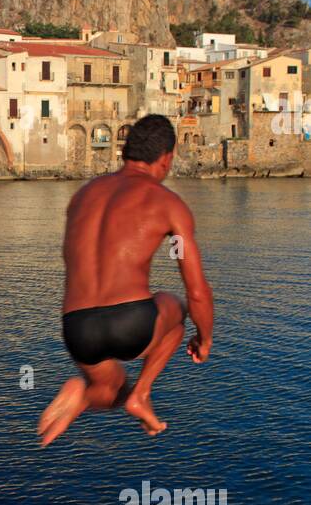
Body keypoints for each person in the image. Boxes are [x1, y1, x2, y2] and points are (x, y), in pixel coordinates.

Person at [38, 114, 214, 446]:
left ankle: (84, 397)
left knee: (109, 391)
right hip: (131, 322)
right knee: (176, 309)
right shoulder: (168, 203)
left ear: (125, 153)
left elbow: (70, 260)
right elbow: (197, 291)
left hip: (77, 327)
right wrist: (203, 340)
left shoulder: (83, 196)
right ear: (166, 159)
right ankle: (142, 394)